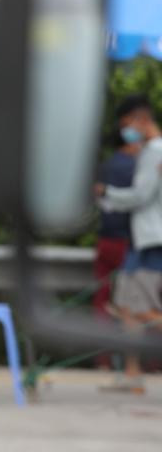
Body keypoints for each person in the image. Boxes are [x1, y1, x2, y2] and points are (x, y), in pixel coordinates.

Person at [97, 95, 162, 394]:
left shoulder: (153, 152)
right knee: (127, 306)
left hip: (151, 239)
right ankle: (132, 375)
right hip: (144, 239)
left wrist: (106, 192)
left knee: (142, 310)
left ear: (140, 120)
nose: (127, 132)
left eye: (127, 125)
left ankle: (133, 375)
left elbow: (140, 195)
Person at [92, 117, 140, 362]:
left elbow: (98, 197)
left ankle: (103, 361)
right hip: (129, 245)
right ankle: (144, 363)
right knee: (135, 304)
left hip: (105, 242)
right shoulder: (138, 167)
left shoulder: (105, 166)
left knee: (102, 300)